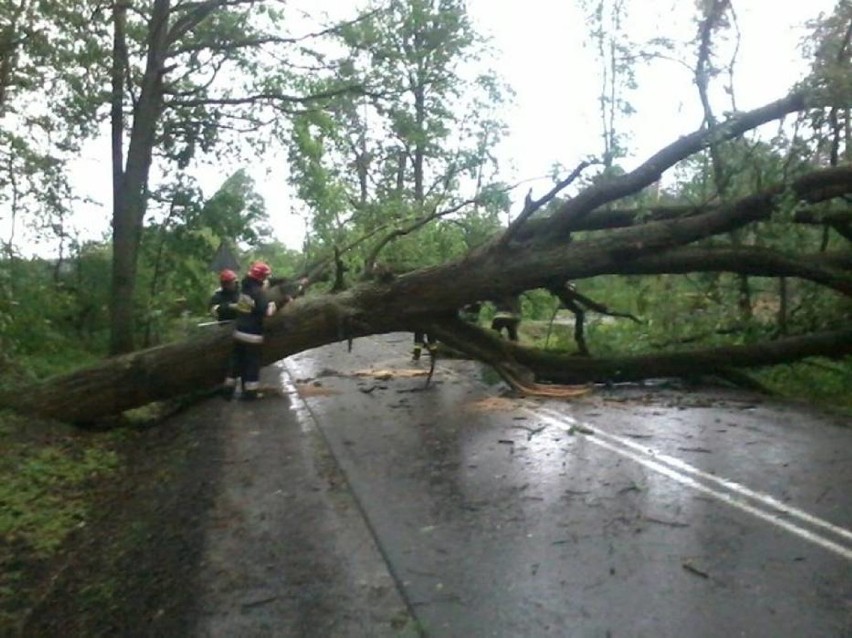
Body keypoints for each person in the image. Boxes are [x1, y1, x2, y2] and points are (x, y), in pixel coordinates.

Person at [227, 261, 280, 401]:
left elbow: (245, 308)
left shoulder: (244, 289)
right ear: (261, 277)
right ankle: (250, 393)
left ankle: (228, 388)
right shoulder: (258, 292)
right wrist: (272, 305)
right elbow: (266, 312)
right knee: (252, 364)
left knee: (237, 362)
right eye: (265, 276)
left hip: (239, 332)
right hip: (252, 335)